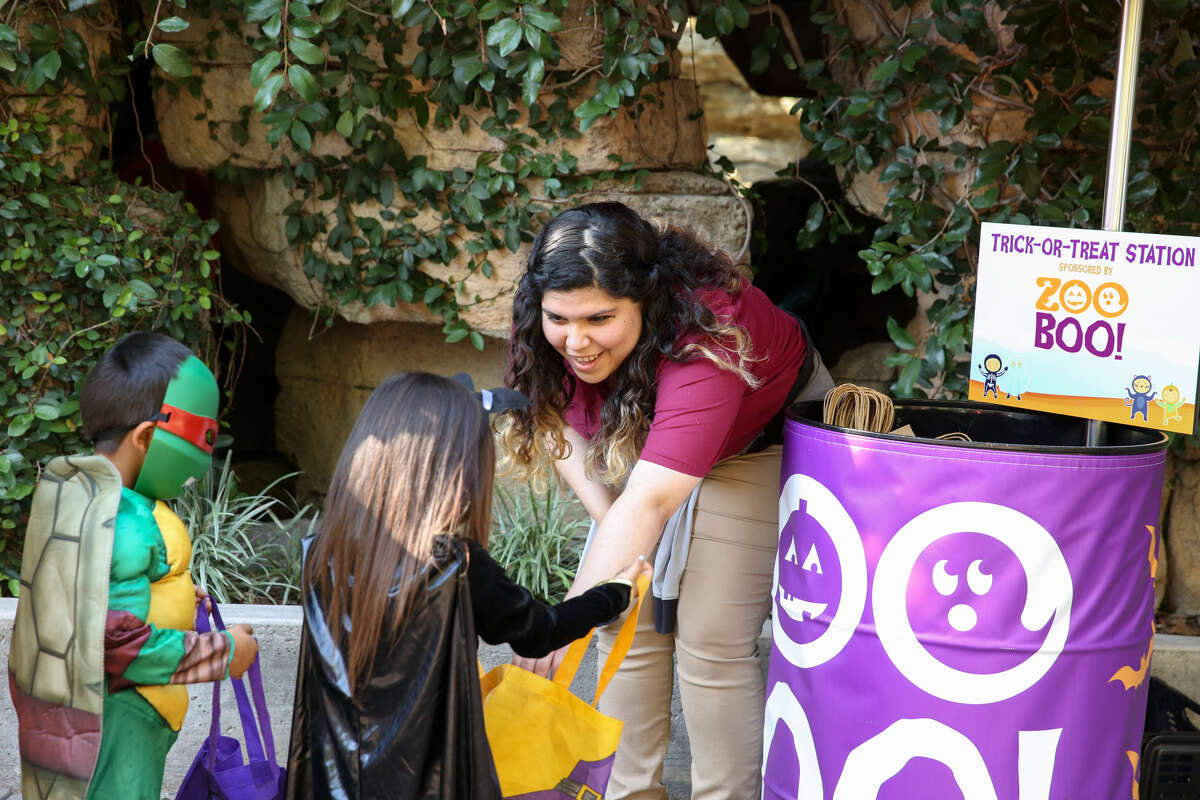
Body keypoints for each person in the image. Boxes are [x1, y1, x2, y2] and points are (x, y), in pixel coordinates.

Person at [501, 202, 834, 799]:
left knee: (711, 638)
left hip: (759, 438)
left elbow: (653, 501)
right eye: (561, 320)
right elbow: (557, 420)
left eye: (600, 318)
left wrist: (562, 621)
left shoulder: (705, 335)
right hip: (653, 433)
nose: (576, 340)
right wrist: (613, 529)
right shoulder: (550, 313)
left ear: (646, 299)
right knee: (624, 615)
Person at [284, 371, 651, 800]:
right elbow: (542, 632)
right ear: (457, 469)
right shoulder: (455, 566)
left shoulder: (320, 554)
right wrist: (614, 592)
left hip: (330, 785)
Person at [8, 332, 259, 800]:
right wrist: (223, 652)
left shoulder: (83, 497)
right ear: (146, 437)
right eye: (202, 441)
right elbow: (115, 643)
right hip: (116, 721)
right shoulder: (123, 521)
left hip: (89, 717)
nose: (205, 459)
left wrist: (180, 596)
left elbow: (94, 594)